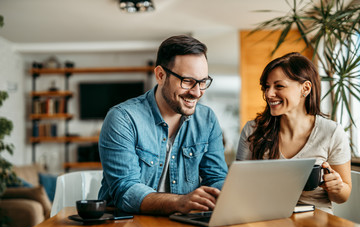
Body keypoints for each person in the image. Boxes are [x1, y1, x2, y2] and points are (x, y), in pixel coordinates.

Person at [98, 35, 228, 215]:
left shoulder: (207, 119)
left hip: (184, 223)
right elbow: (125, 190)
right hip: (126, 223)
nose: (197, 92)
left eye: (203, 82)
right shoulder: (123, 118)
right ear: (160, 75)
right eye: (188, 81)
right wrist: (180, 202)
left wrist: (226, 195)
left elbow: (216, 178)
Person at [236, 52, 352, 214]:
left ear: (305, 88)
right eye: (266, 87)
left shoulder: (331, 132)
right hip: (267, 216)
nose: (269, 94)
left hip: (315, 220)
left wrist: (337, 187)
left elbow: (343, 196)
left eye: (279, 86)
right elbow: (240, 186)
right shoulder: (253, 130)